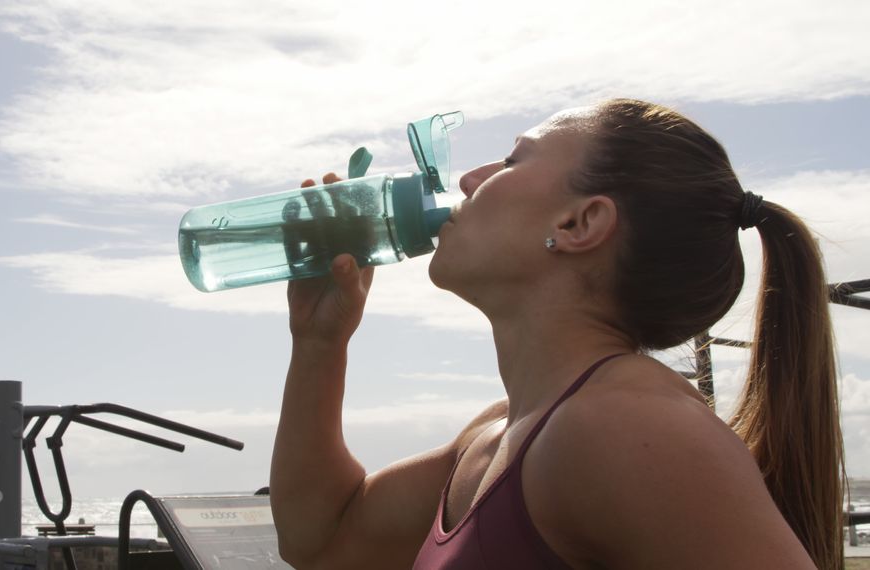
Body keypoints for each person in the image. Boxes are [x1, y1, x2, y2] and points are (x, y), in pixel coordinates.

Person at [269, 99, 845, 569]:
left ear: (579, 223)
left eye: (513, 161)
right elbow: (321, 542)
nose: (470, 179)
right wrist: (320, 344)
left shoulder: (624, 425)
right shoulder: (501, 434)